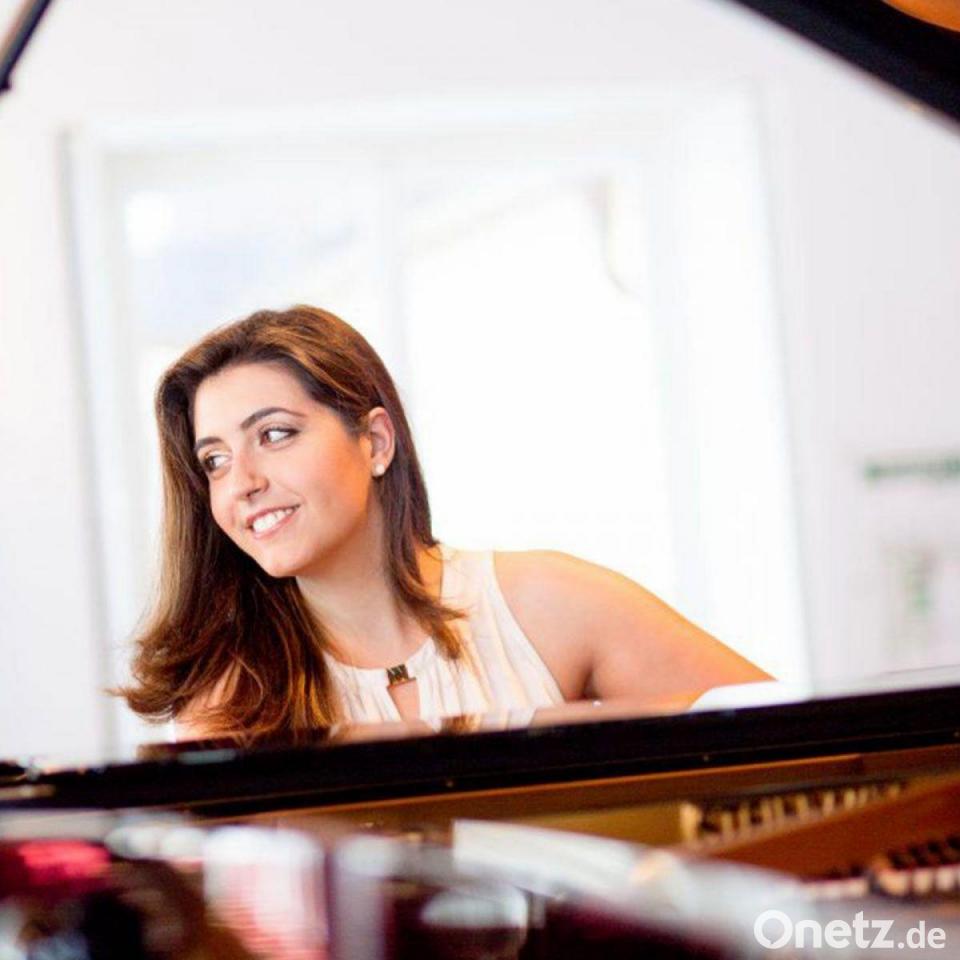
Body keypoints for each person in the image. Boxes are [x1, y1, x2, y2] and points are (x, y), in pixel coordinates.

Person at [121, 305, 770, 740]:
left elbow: (792, 745)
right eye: (214, 461)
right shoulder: (230, 700)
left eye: (275, 434)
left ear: (376, 441)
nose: (242, 482)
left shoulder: (547, 602)